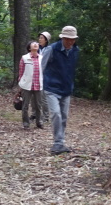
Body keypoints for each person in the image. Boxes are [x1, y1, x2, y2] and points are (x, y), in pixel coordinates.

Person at [40, 25, 80, 155]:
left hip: (66, 88)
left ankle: (60, 143)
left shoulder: (75, 50)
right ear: (62, 38)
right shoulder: (51, 49)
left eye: (72, 39)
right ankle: (57, 143)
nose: (70, 42)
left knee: (64, 117)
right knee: (56, 114)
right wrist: (41, 85)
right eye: (67, 39)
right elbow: (42, 67)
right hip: (51, 88)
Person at [18, 40, 45, 130]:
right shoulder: (24, 58)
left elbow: (45, 71)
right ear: (29, 47)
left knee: (38, 106)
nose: (36, 44)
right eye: (33, 44)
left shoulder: (42, 58)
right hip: (26, 85)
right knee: (25, 105)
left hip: (39, 85)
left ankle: (39, 122)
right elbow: (21, 72)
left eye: (37, 44)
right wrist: (20, 85)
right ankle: (26, 123)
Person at [32, 31, 52, 124]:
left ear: (46, 40)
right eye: (39, 38)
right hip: (35, 74)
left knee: (43, 96)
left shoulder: (48, 49)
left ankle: (46, 116)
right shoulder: (37, 48)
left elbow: (43, 63)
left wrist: (39, 73)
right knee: (34, 95)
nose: (39, 40)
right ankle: (34, 113)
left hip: (44, 75)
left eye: (41, 38)